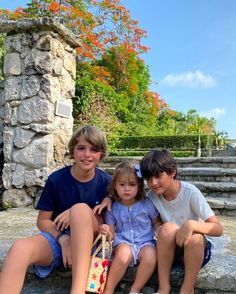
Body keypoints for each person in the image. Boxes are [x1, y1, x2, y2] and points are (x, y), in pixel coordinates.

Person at [0, 125, 112, 294]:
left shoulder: (107, 182)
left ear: (101, 154)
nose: (87, 154)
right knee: (19, 249)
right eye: (81, 148)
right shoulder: (57, 179)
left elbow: (110, 223)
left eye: (94, 150)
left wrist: (77, 212)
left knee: (80, 210)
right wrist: (63, 239)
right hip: (59, 241)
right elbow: (43, 221)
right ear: (72, 150)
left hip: (90, 243)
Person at [140, 149, 223, 294]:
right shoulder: (152, 196)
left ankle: (187, 289)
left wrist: (192, 224)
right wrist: (160, 228)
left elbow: (218, 228)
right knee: (166, 228)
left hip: (195, 252)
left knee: (196, 237)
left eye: (158, 176)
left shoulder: (190, 192)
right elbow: (157, 221)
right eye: (148, 179)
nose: (153, 183)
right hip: (171, 251)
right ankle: (163, 287)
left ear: (172, 172)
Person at [100, 160, 161, 294]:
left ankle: (135, 289)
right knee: (123, 254)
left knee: (151, 256)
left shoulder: (147, 204)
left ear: (139, 186)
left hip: (145, 242)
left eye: (132, 184)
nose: (127, 189)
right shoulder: (113, 208)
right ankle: (108, 290)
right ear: (115, 186)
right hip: (123, 241)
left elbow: (156, 221)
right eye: (122, 184)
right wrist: (106, 231)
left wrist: (159, 229)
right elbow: (111, 232)